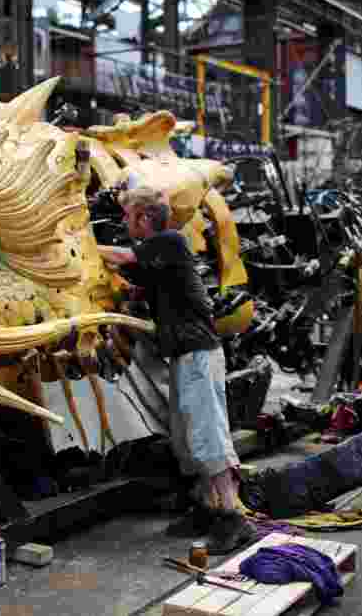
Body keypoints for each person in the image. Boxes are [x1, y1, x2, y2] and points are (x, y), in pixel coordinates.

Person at [98, 185, 256, 553]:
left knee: (207, 433)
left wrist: (80, 247)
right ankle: (206, 507)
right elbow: (139, 281)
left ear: (142, 218)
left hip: (199, 354)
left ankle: (233, 518)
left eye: (128, 216)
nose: (125, 223)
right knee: (187, 438)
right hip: (184, 354)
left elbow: (122, 256)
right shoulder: (161, 258)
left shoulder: (169, 240)